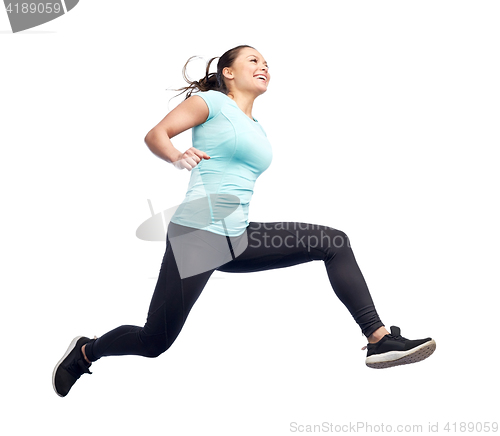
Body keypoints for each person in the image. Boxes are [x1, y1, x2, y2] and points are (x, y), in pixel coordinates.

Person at [52, 45, 436, 397]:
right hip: (198, 237)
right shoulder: (213, 102)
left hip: (239, 237)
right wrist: (175, 155)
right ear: (228, 72)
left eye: (266, 62)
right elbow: (157, 134)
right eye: (253, 60)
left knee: (333, 242)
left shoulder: (256, 127)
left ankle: (378, 338)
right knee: (155, 342)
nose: (263, 65)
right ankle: (86, 351)